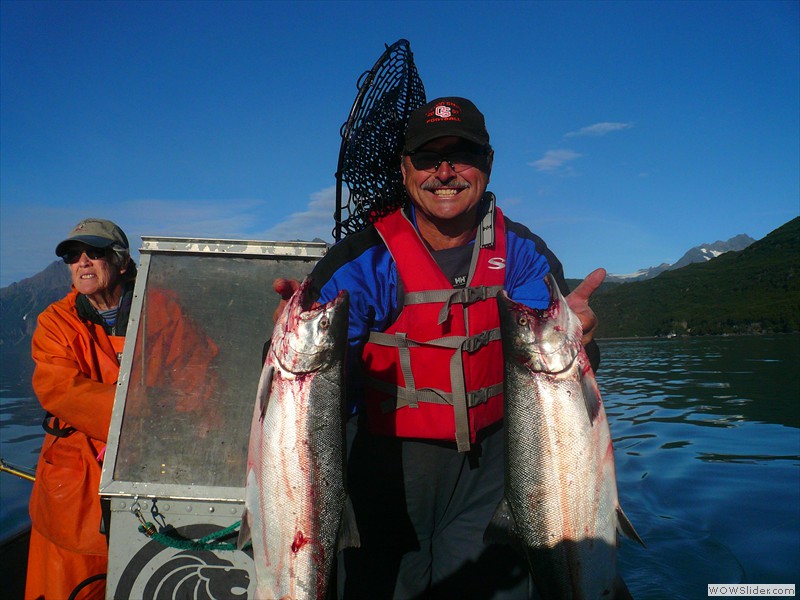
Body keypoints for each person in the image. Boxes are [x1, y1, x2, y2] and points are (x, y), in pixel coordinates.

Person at [273, 97, 606, 599]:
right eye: (428, 159)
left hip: (494, 469)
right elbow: (304, 391)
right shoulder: (361, 261)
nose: (444, 172)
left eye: (462, 156)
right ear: (405, 170)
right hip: (385, 475)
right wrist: (284, 355)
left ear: (488, 166)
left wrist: (581, 342)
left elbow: (557, 365)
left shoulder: (522, 254)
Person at [25, 218, 136, 600]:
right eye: (74, 256)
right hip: (73, 489)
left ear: (122, 262)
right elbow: (60, 389)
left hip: (148, 474)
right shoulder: (54, 323)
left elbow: (195, 377)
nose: (83, 262)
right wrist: (144, 424)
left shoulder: (163, 312)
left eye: (95, 253)